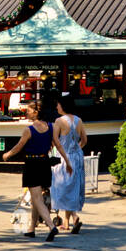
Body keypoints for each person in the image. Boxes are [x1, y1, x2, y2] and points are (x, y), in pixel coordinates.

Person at [3, 98, 69, 241]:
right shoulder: (51, 127)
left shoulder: (29, 130)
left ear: (36, 112)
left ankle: (51, 226)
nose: (26, 113)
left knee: (37, 198)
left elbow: (19, 146)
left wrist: (8, 154)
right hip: (44, 162)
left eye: (28, 110)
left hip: (32, 163)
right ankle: (31, 228)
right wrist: (67, 161)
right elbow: (57, 144)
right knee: (35, 198)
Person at [50, 93, 87, 234]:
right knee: (73, 188)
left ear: (63, 105)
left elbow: (55, 140)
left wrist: (63, 153)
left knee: (62, 188)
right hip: (77, 156)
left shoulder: (59, 121)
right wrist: (76, 149)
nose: (56, 106)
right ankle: (67, 221)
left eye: (58, 104)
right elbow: (84, 140)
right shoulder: (79, 120)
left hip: (63, 157)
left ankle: (74, 217)